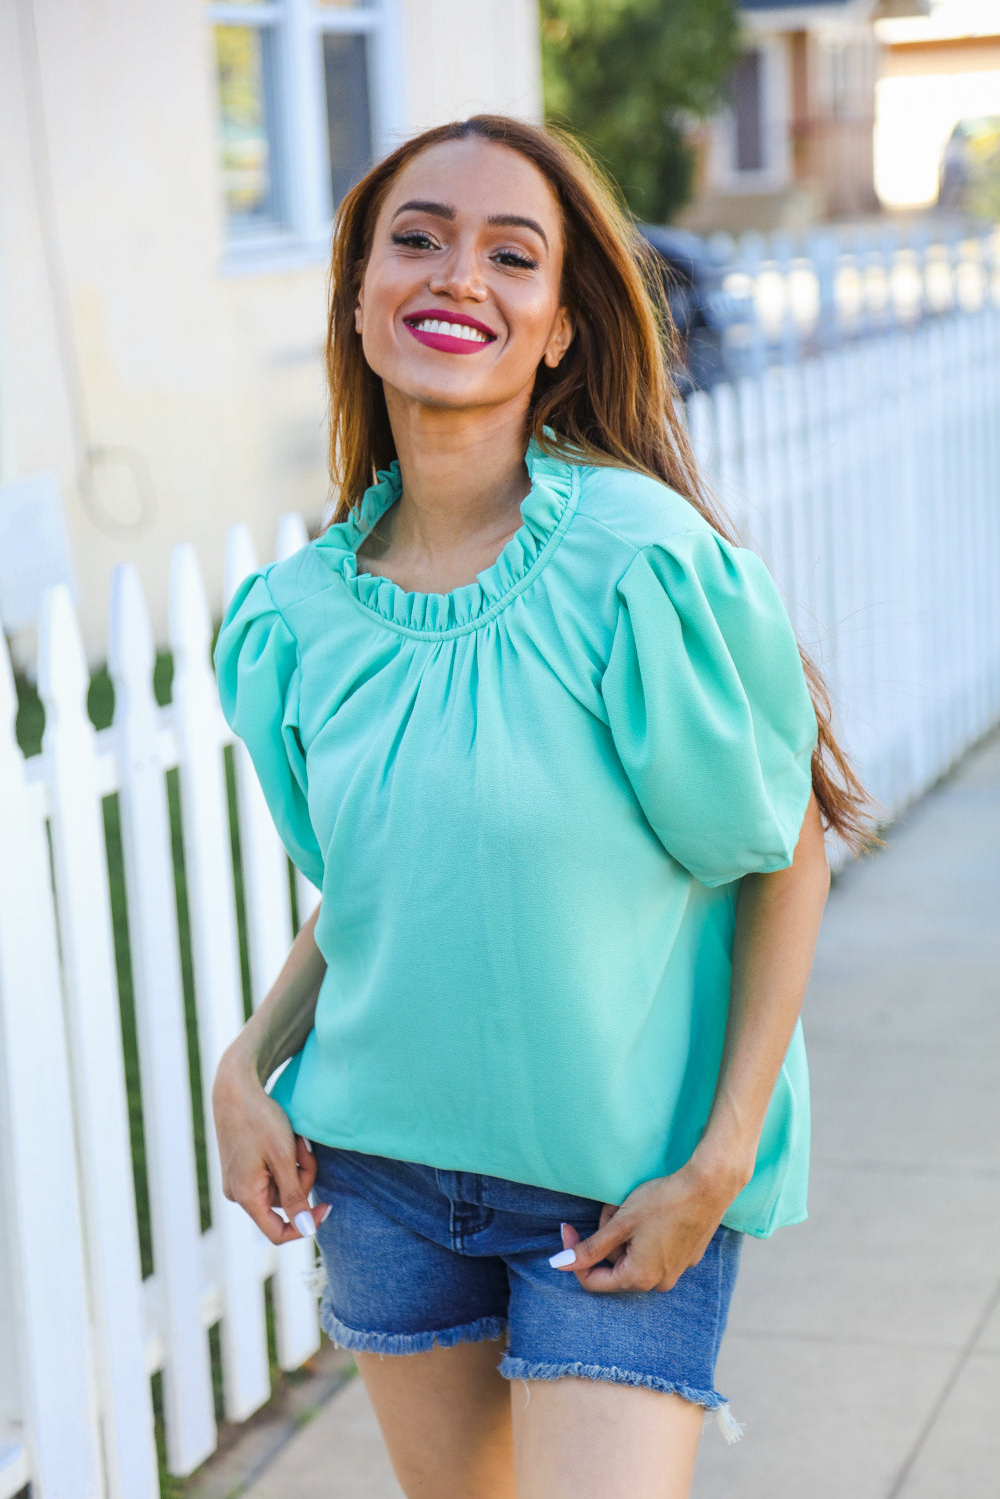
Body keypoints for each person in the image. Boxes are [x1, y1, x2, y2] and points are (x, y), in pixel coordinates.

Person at [212, 115, 871, 1499]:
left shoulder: (642, 569)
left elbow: (781, 854)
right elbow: (378, 896)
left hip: (619, 1190)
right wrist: (248, 1064)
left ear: (561, 328)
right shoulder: (295, 620)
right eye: (418, 240)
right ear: (359, 296)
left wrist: (719, 1165)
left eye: (513, 255)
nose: (460, 275)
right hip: (383, 1180)